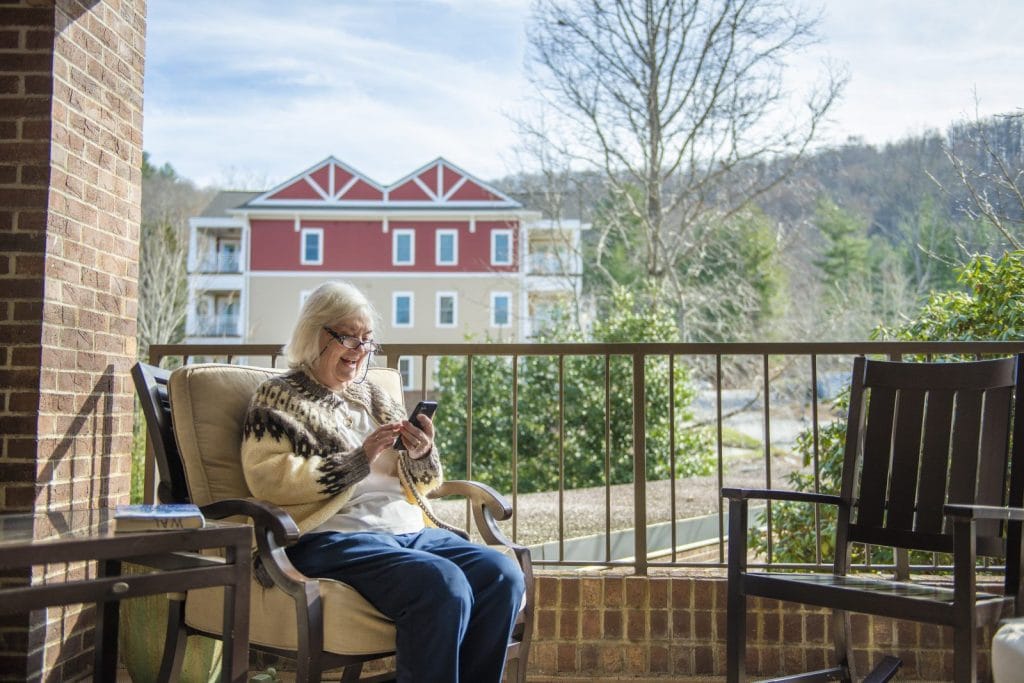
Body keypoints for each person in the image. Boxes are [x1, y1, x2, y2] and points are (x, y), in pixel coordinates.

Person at [240, 281, 524, 683]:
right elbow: (267, 479)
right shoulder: (278, 398)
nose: (359, 351)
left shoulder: (375, 396)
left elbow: (426, 483)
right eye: (348, 338)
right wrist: (359, 459)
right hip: (331, 538)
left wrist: (423, 452)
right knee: (443, 584)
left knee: (502, 574)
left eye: (367, 341)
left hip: (407, 531)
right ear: (314, 333)